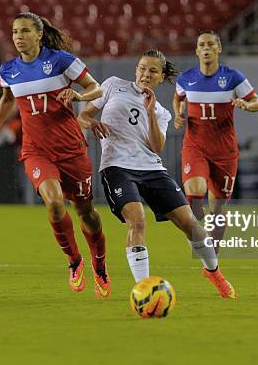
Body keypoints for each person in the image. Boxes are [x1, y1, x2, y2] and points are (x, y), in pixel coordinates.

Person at [78, 49, 236, 299]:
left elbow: (156, 146)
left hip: (151, 168)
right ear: (136, 70)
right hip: (117, 167)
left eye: (152, 71)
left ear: (161, 77)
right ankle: (144, 291)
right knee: (138, 220)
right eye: (142, 68)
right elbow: (83, 116)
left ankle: (213, 272)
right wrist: (92, 122)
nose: (145, 74)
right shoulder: (112, 85)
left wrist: (150, 111)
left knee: (191, 225)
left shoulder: (162, 112)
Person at [0, 12, 110, 299]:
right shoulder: (8, 70)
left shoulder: (62, 61)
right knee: (53, 204)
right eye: (15, 32)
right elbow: (7, 100)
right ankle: (74, 261)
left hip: (72, 149)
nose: (18, 37)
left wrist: (78, 97)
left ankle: (99, 266)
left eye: (25, 31)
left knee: (86, 212)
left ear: (38, 35)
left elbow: (96, 87)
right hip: (36, 151)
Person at [173, 30, 258, 246]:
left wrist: (246, 105)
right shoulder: (186, 78)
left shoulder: (233, 78)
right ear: (196, 50)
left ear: (218, 49)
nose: (206, 48)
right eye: (202, 44)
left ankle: (212, 255)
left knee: (218, 206)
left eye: (211, 44)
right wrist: (178, 114)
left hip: (224, 151)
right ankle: (197, 233)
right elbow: (178, 99)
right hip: (195, 146)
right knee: (195, 194)